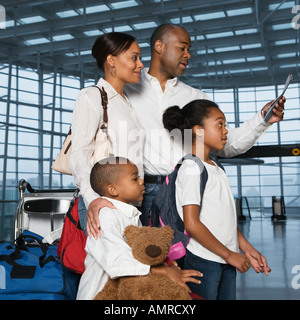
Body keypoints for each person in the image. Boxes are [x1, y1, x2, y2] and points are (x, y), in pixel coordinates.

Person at [87, 24, 286, 233]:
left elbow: (226, 146)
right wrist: (95, 196)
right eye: (182, 48)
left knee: (190, 261)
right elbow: (92, 146)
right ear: (159, 46)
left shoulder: (196, 98)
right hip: (140, 193)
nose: (188, 55)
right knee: (148, 260)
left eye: (188, 49)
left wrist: (262, 120)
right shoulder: (124, 91)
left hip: (188, 191)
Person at [162, 99, 271, 300]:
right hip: (204, 261)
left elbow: (224, 219)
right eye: (220, 124)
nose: (226, 131)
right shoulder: (192, 168)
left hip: (225, 257)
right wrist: (230, 255)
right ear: (198, 130)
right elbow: (192, 224)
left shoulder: (216, 167)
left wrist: (246, 249)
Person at [76, 156, 202, 300]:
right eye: (135, 178)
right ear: (113, 189)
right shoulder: (106, 217)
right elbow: (116, 260)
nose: (142, 181)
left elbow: (140, 253)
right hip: (98, 294)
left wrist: (165, 263)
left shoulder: (130, 214)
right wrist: (163, 271)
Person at [69, 32, 145, 236]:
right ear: (111, 60)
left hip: (129, 204)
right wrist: (93, 199)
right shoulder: (92, 96)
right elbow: (79, 154)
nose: (141, 65)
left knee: (130, 266)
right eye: (134, 57)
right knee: (107, 266)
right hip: (103, 204)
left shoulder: (127, 102)